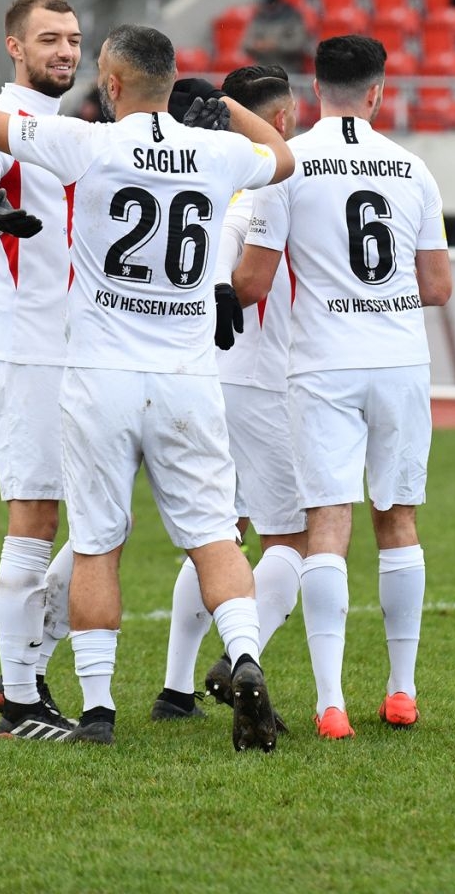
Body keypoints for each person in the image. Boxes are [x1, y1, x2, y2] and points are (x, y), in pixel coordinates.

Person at [0, 23, 295, 751]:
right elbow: (283, 157)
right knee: (214, 539)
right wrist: (228, 107)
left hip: (101, 377)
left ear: (111, 82)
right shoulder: (217, 151)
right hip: (188, 378)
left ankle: (98, 711)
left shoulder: (89, 142)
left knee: (98, 543)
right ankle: (245, 656)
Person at [232, 35, 453, 739]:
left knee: (327, 524)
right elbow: (438, 287)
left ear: (313, 92)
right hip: (399, 361)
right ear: (379, 91)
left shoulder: (288, 165)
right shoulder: (413, 167)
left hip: (323, 364)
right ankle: (401, 690)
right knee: (399, 520)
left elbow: (254, 282)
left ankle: (331, 704)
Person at [0, 0, 84, 741]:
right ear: (15, 47)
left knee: (106, 519)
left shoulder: (67, 127)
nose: (65, 51)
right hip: (25, 344)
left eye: (74, 39)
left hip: (78, 347)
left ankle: (21, 669)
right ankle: (25, 701)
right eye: (49, 39)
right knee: (35, 517)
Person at [159, 64, 306, 722]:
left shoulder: (206, 176)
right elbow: (240, 269)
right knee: (294, 538)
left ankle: (175, 690)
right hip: (264, 381)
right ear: (280, 120)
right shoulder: (270, 185)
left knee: (216, 534)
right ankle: (241, 657)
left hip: (203, 374)